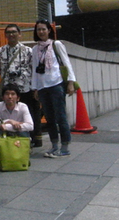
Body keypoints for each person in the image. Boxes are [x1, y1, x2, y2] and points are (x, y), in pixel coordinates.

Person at [31, 19, 76, 158]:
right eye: (39, 29)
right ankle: (54, 145)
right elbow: (34, 69)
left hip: (56, 84)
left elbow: (66, 62)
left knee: (60, 116)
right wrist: (35, 88)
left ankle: (65, 147)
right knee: (49, 118)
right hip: (43, 86)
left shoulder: (56, 44)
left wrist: (70, 82)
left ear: (49, 30)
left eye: (44, 29)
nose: (41, 32)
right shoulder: (35, 49)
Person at [0, 24, 41, 146]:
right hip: (8, 88)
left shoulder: (28, 51)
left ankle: (32, 139)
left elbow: (34, 68)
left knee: (28, 112)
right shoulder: (0, 51)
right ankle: (8, 135)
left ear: (19, 34)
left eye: (14, 32)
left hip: (25, 87)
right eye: (8, 32)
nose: (11, 34)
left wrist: (34, 87)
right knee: (7, 111)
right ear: (5, 35)